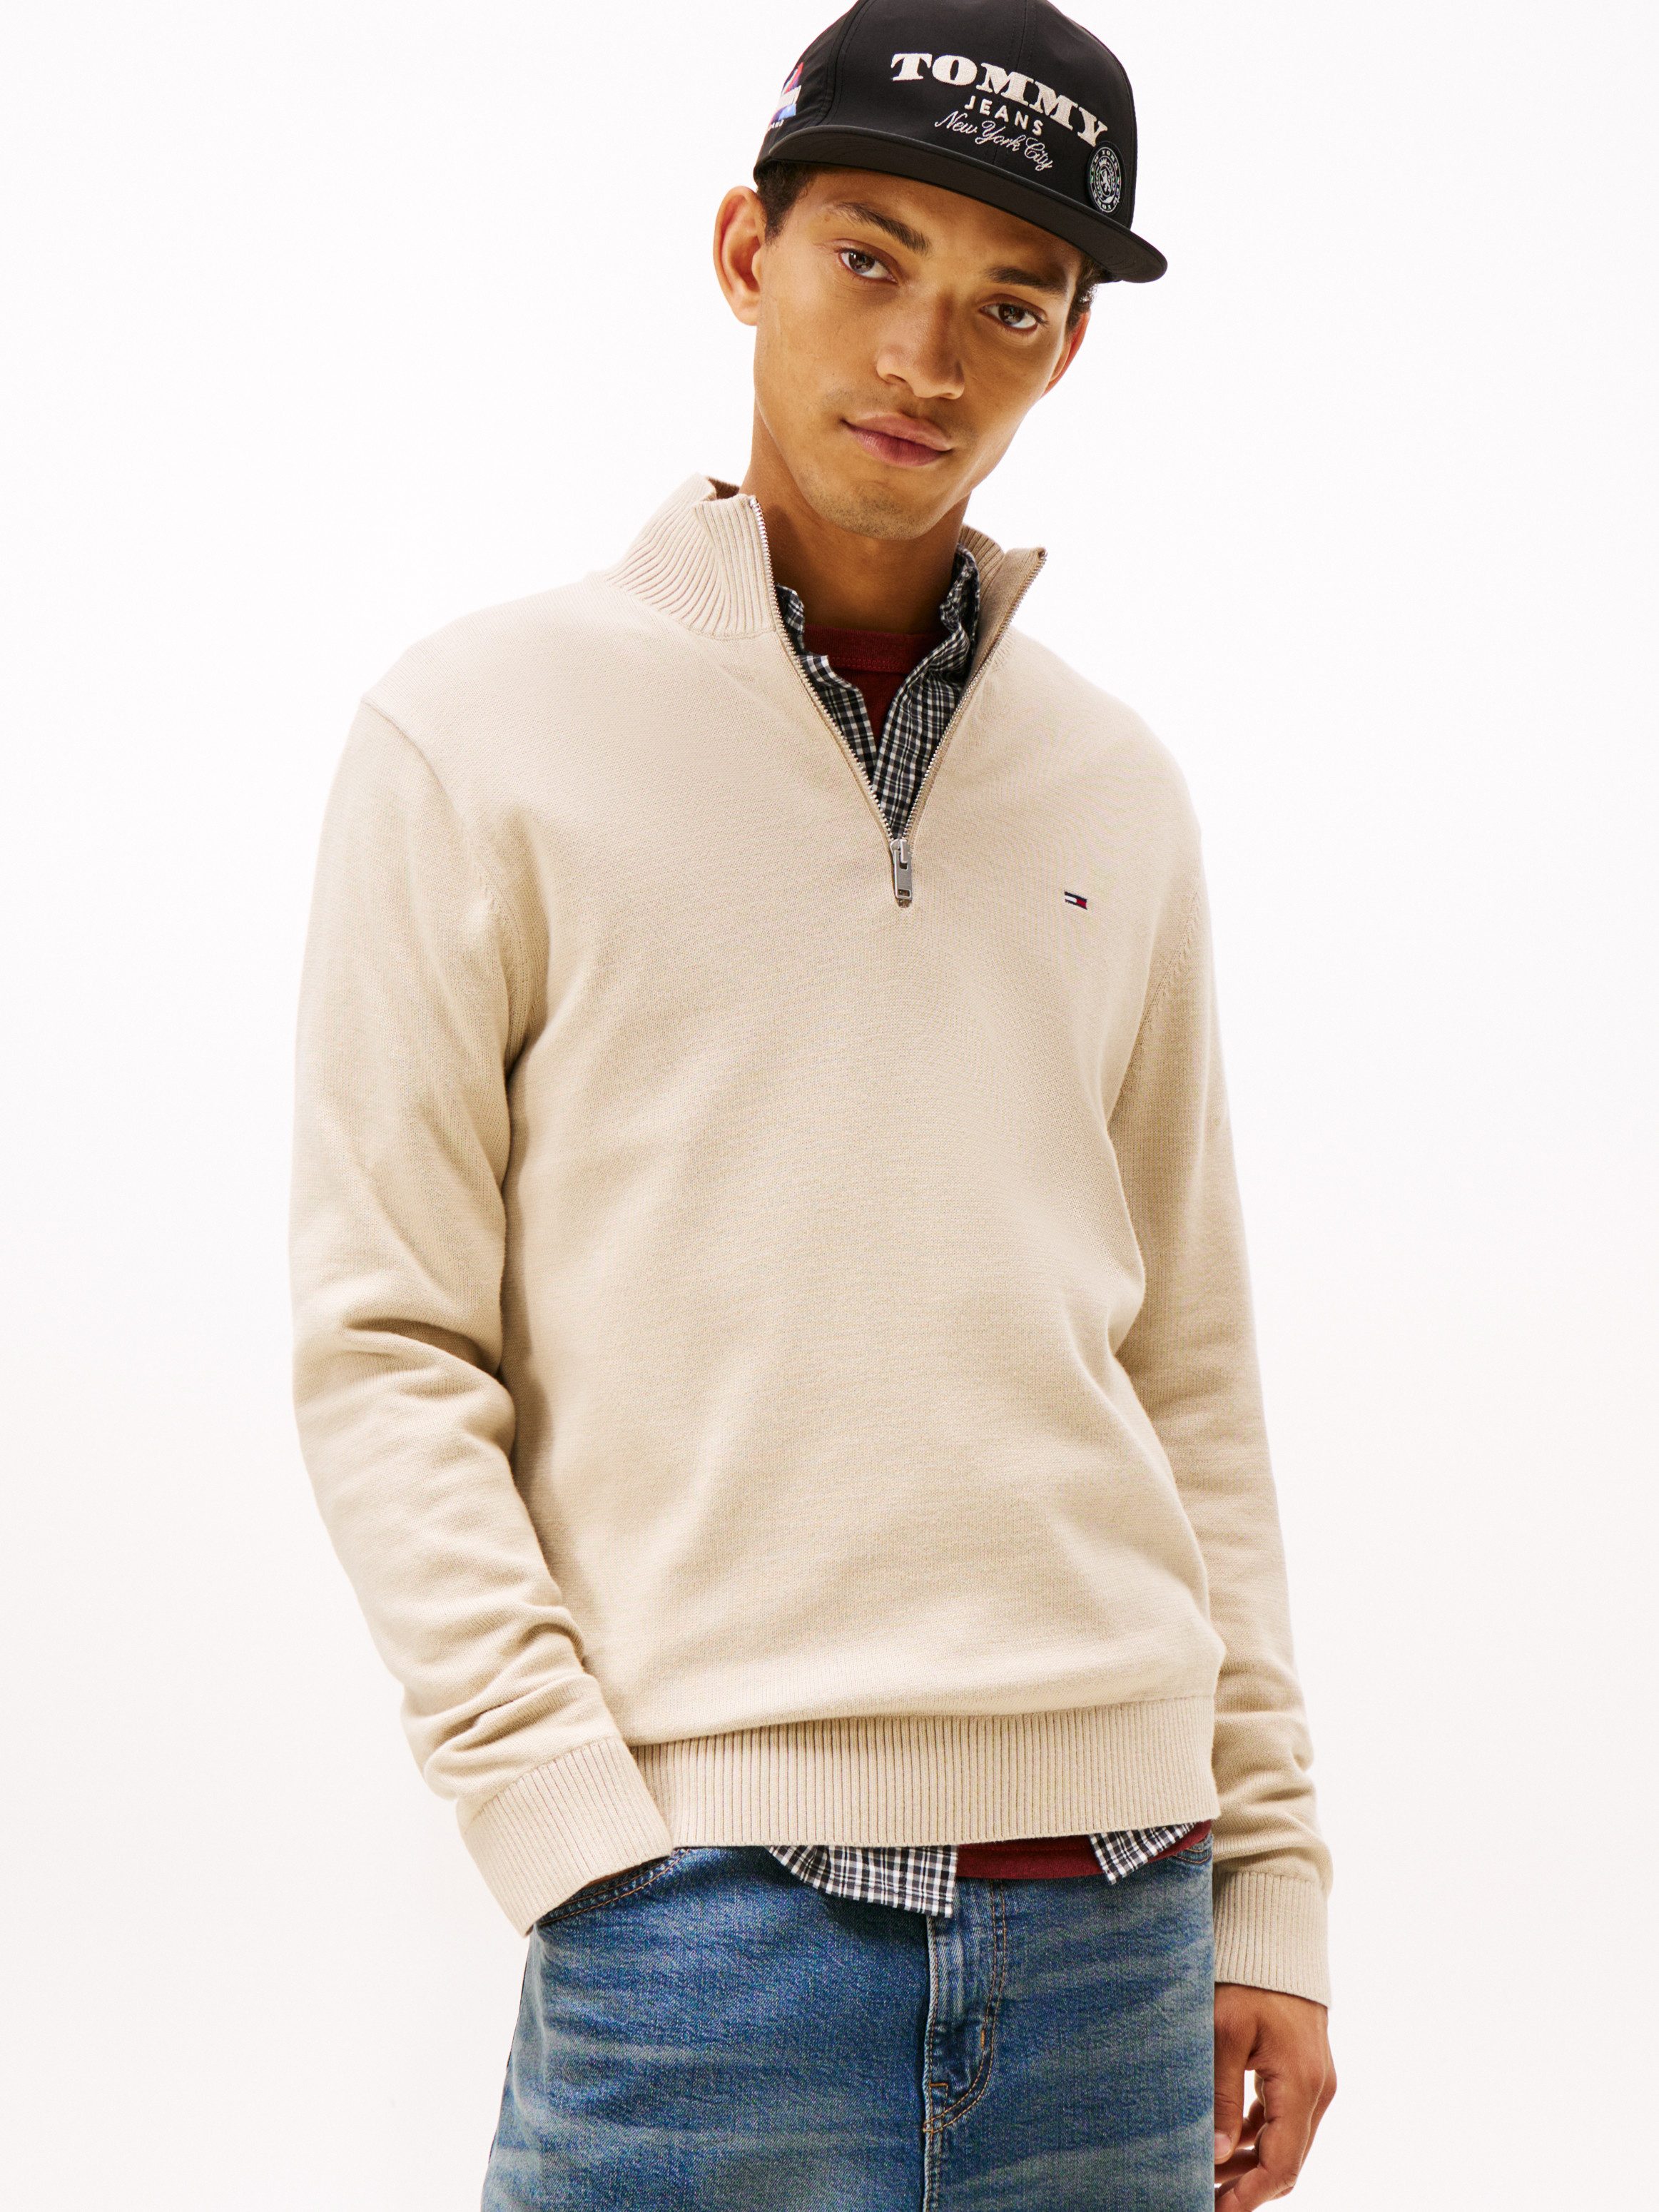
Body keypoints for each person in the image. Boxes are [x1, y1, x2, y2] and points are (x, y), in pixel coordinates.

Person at [288, 1, 1338, 2203]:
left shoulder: (1115, 786)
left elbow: (1190, 1363)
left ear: (1067, 350)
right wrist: (569, 1825)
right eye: (872, 258)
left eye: (1011, 304)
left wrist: (1270, 1883)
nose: (928, 356)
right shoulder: (478, 732)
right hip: (700, 1924)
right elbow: (388, 1345)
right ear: (743, 253)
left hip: (1126, 1919)